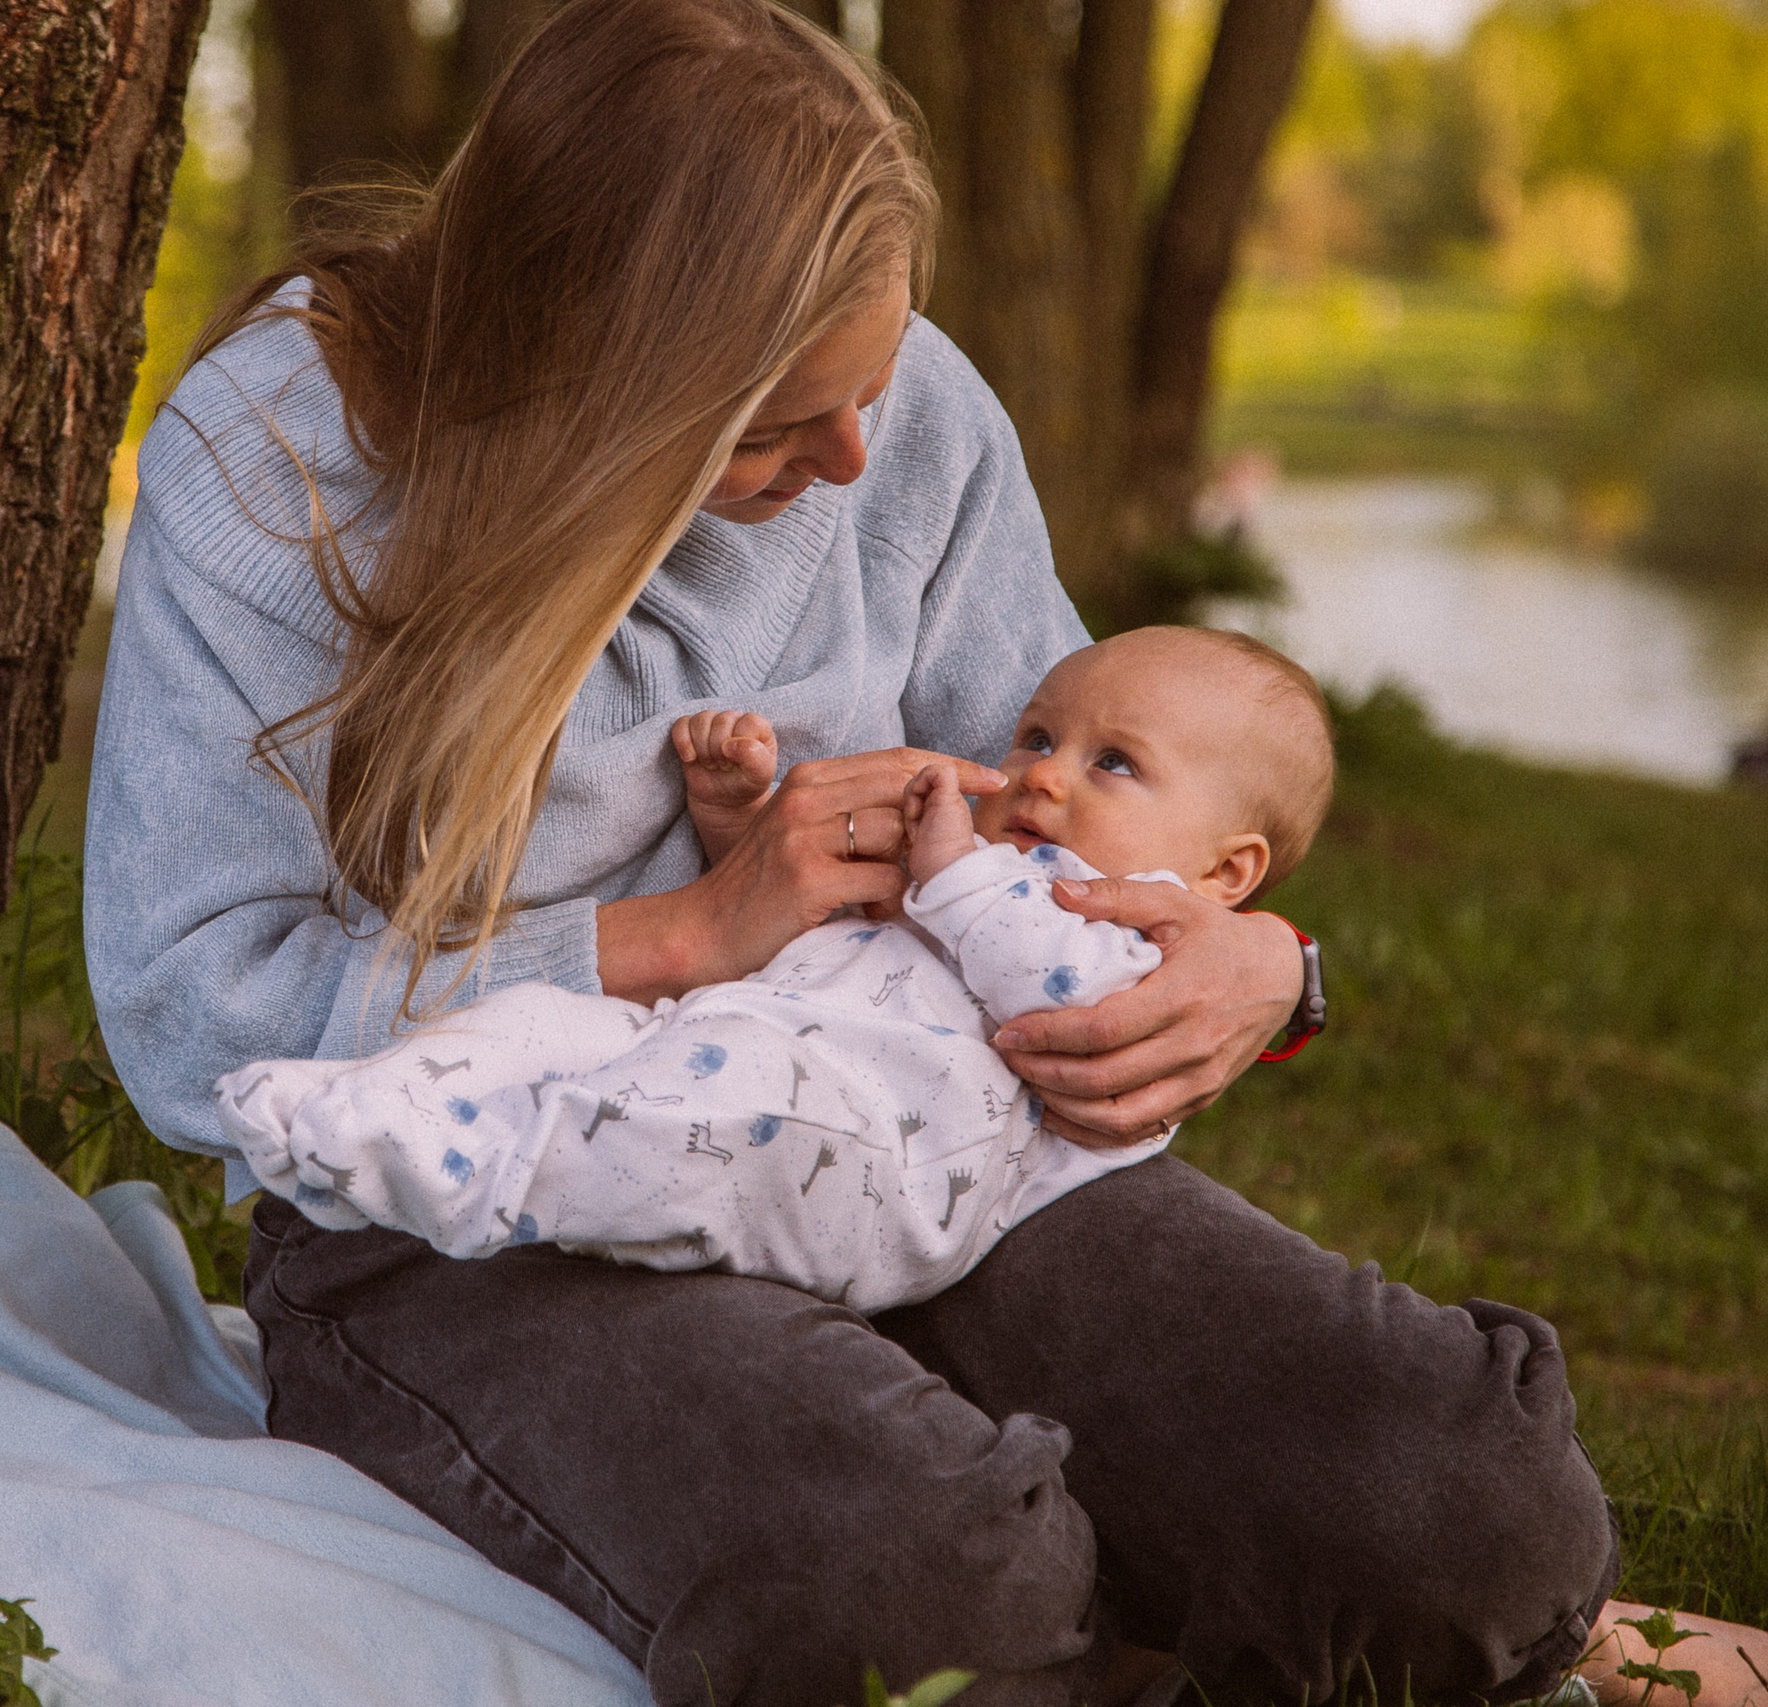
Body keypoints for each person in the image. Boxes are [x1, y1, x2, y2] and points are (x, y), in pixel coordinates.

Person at [82, 2, 1637, 1703]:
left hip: (923, 1146)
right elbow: (192, 1010)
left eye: (871, 395)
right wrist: (685, 929)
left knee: (1466, 1511)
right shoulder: (279, 459)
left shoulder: (900, 420)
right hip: (478, 1203)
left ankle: (1007, 1512)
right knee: (924, 1591)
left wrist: (1266, 965)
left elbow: (1074, 793)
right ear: (601, 369)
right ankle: (1006, 1541)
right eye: (770, 426)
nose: (847, 462)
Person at [210, 627, 1335, 1314]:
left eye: (1113, 764)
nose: (1041, 778)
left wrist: (954, 872)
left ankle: (475, 1173)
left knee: (677, 1140)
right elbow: (799, 918)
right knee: (550, 1018)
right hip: (724, 1038)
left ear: (1227, 869)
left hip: (865, 1164)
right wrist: (739, 822)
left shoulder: (1142, 930)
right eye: (1035, 737)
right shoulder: (990, 864)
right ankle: (365, 1107)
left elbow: (1066, 993)